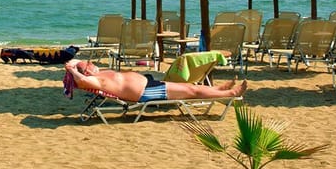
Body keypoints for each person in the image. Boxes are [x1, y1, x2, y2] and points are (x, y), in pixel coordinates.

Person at [64, 59, 247, 102]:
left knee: (189, 86)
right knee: (192, 92)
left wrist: (74, 65)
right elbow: (79, 79)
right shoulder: (93, 80)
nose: (92, 63)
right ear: (85, 71)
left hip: (148, 85)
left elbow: (76, 67)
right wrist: (72, 70)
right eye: (88, 63)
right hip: (146, 92)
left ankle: (219, 89)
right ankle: (230, 93)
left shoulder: (97, 75)